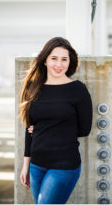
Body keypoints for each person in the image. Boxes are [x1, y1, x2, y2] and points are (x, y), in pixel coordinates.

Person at [19, 37, 92, 204]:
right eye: (54, 58)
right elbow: (28, 128)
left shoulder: (77, 90)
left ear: (70, 62)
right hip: (36, 165)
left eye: (64, 59)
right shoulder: (34, 87)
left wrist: (45, 130)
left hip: (64, 166)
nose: (59, 64)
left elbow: (84, 129)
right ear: (45, 60)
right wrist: (26, 166)